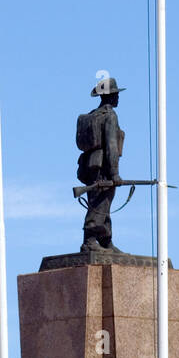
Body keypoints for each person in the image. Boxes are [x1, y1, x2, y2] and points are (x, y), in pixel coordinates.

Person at [75, 76, 126, 252]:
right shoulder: (110, 116)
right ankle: (89, 239)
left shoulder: (93, 115)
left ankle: (105, 239)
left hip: (91, 166)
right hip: (103, 167)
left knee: (103, 202)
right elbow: (111, 145)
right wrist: (114, 174)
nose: (118, 97)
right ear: (110, 97)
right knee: (100, 202)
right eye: (116, 94)